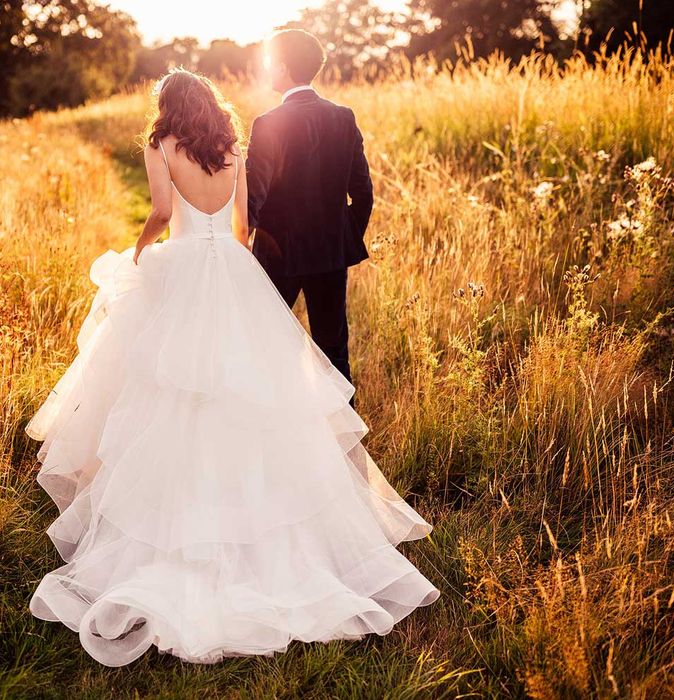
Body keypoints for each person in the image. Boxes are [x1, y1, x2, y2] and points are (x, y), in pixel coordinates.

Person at [25, 67, 439, 668]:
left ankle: (175, 526)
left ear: (168, 107)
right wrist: (229, 263)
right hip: (234, 270)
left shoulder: (161, 145)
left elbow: (164, 213)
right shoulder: (232, 147)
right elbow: (245, 228)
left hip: (186, 264)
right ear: (211, 106)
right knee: (257, 395)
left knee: (170, 390)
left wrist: (143, 251)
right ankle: (275, 528)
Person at [246, 29, 374, 408]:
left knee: (263, 343)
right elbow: (363, 193)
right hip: (330, 256)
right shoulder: (342, 117)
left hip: (276, 257)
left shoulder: (267, 123)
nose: (267, 68)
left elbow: (254, 195)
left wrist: (239, 247)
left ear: (283, 67)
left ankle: (269, 424)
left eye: (270, 61)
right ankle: (346, 441)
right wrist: (342, 237)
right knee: (333, 349)